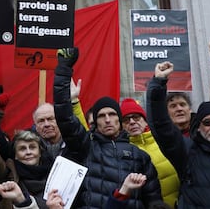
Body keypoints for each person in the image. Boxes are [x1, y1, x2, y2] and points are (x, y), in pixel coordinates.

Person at [53, 47, 162, 208]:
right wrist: (63, 70)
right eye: (101, 116)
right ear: (95, 123)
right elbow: (65, 117)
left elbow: (154, 201)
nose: (108, 120)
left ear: (120, 120)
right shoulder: (86, 147)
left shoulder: (140, 156)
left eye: (112, 115)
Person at [147, 61, 210, 208]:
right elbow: (160, 125)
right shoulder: (188, 151)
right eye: (207, 123)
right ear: (199, 127)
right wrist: (158, 83)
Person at [120, 98, 180, 208]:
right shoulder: (124, 152)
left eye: (136, 117)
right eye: (126, 120)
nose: (132, 122)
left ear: (145, 120)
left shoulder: (162, 140)